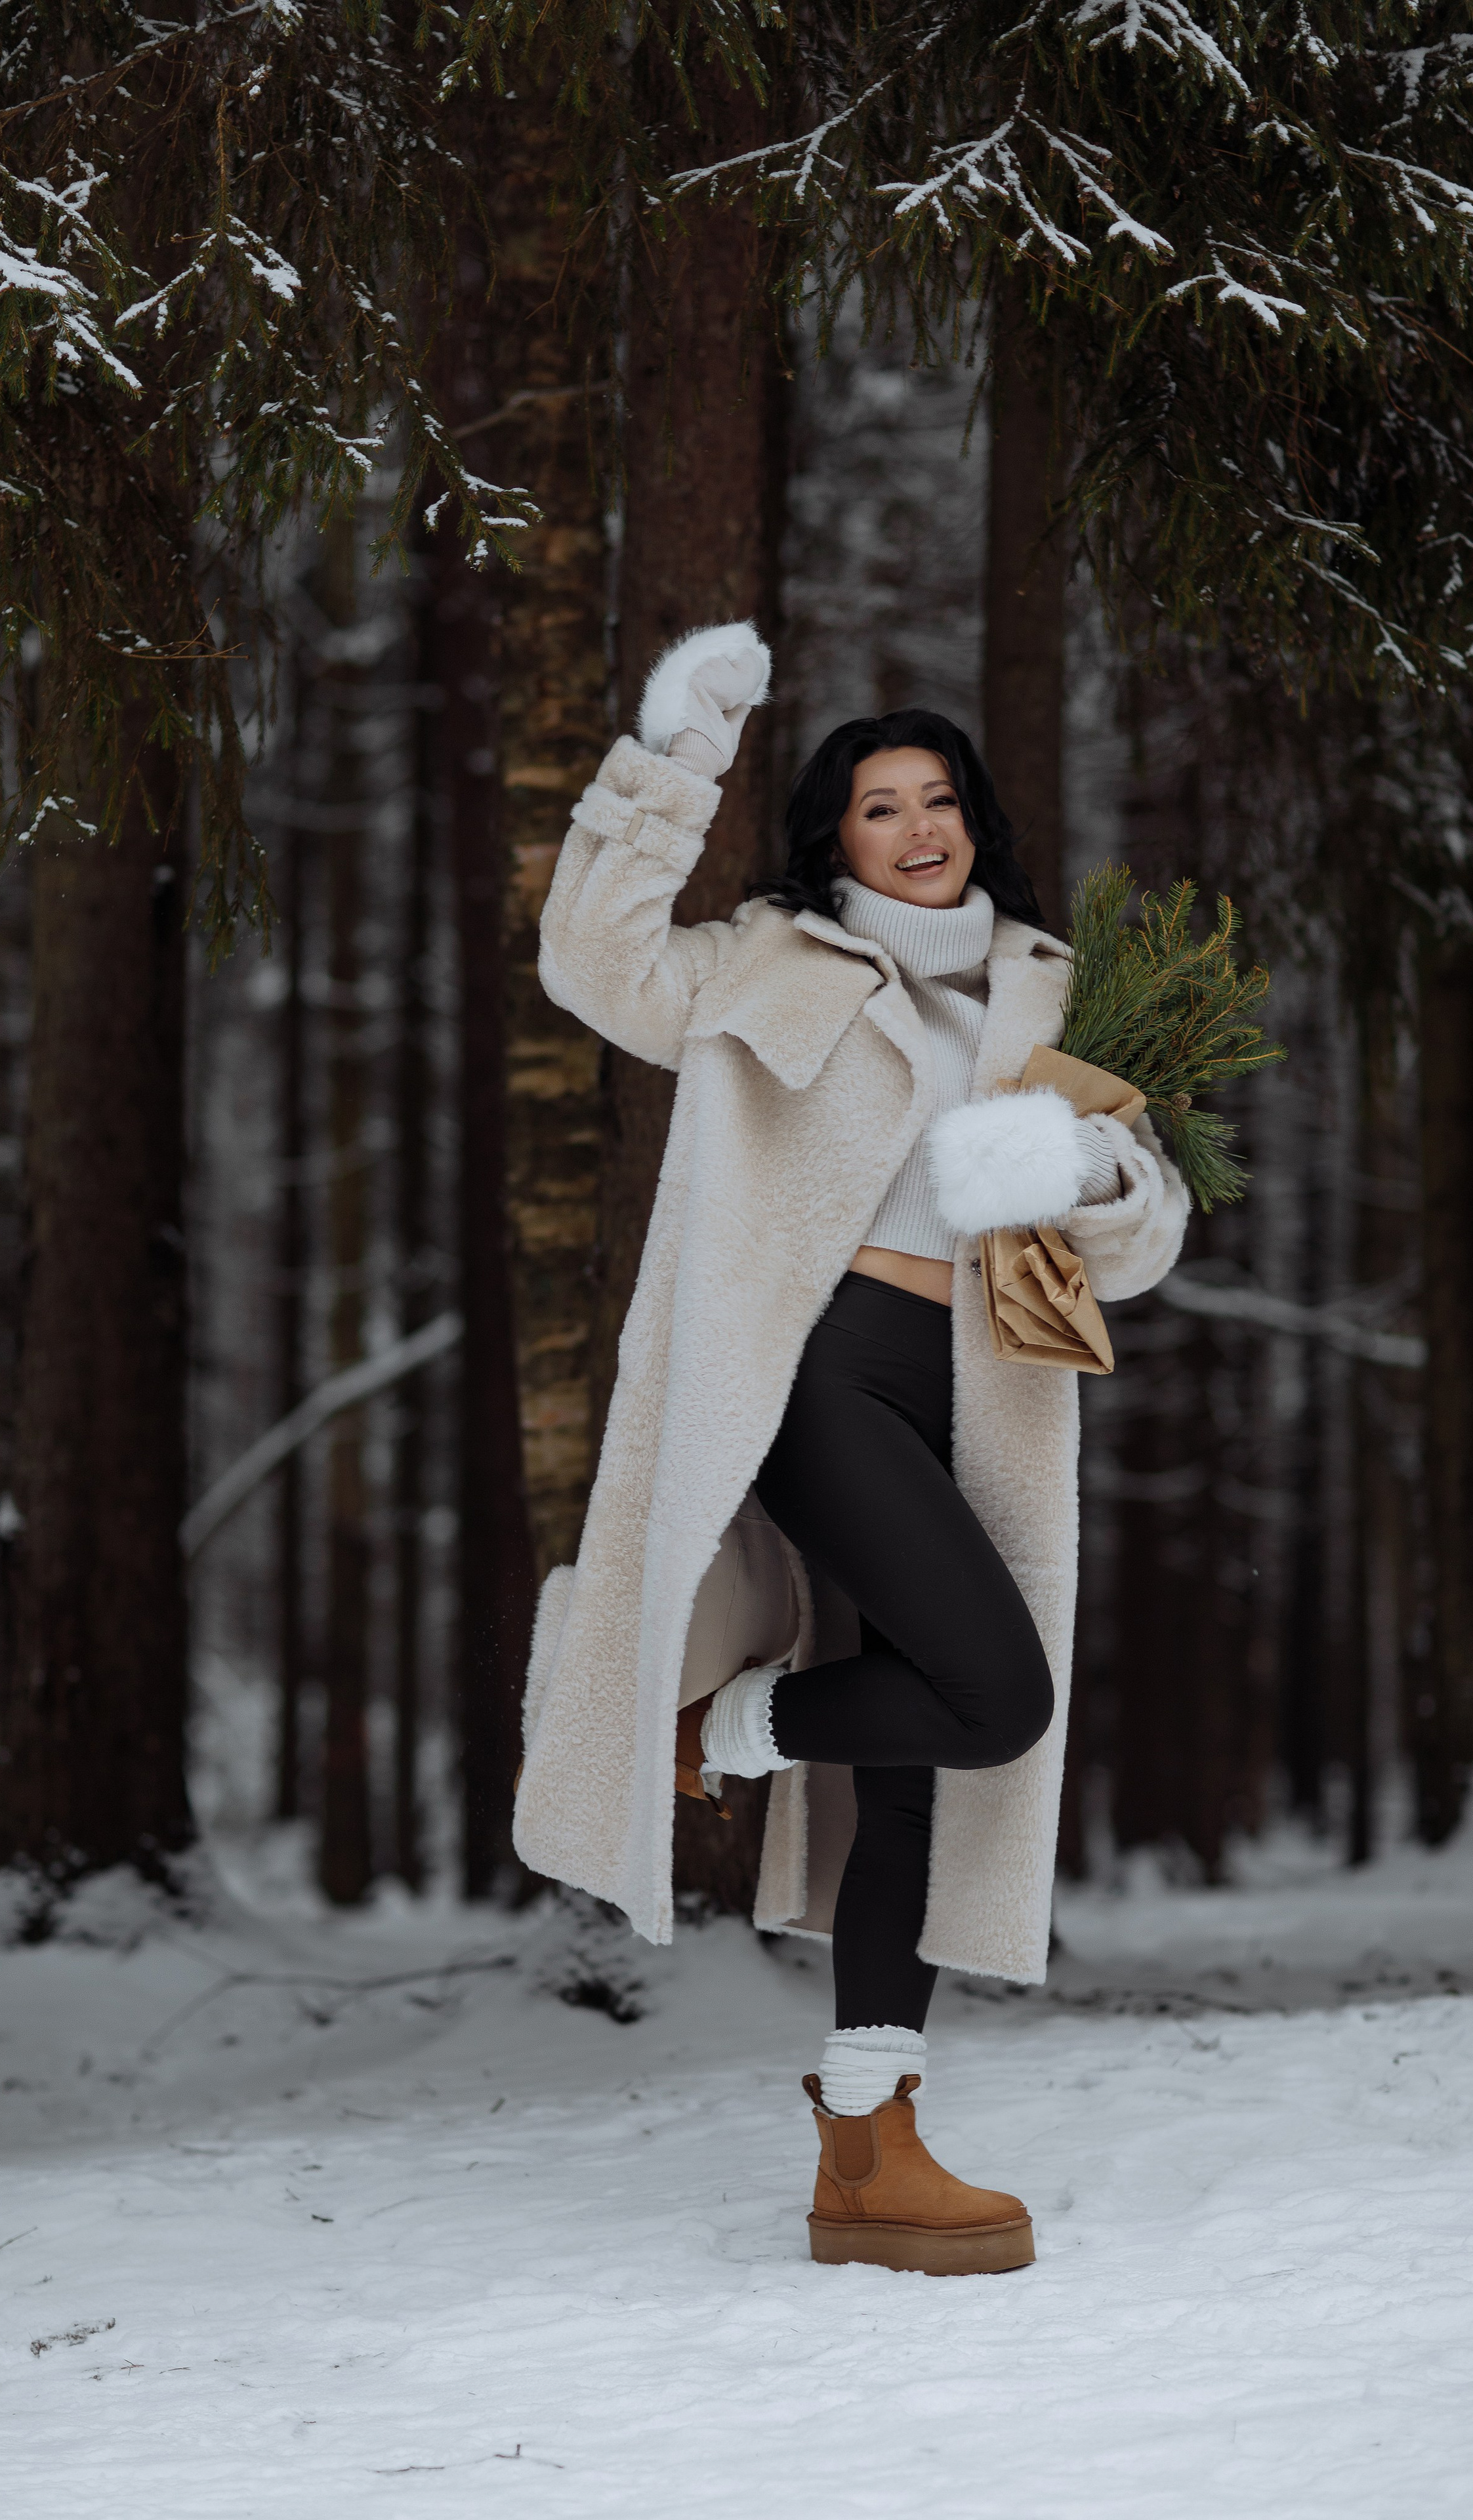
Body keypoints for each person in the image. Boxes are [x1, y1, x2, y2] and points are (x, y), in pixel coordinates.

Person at [514, 623, 1188, 2275]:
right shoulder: (764, 957)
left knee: (916, 1778)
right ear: (833, 835)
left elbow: (1147, 1224)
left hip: (981, 1390)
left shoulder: (1043, 981)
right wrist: (674, 764)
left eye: (936, 798)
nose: (915, 826)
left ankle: (867, 2149)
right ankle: (717, 1725)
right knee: (998, 1694)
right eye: (878, 806)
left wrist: (1089, 1178)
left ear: (972, 818)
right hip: (813, 1374)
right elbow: (591, 963)